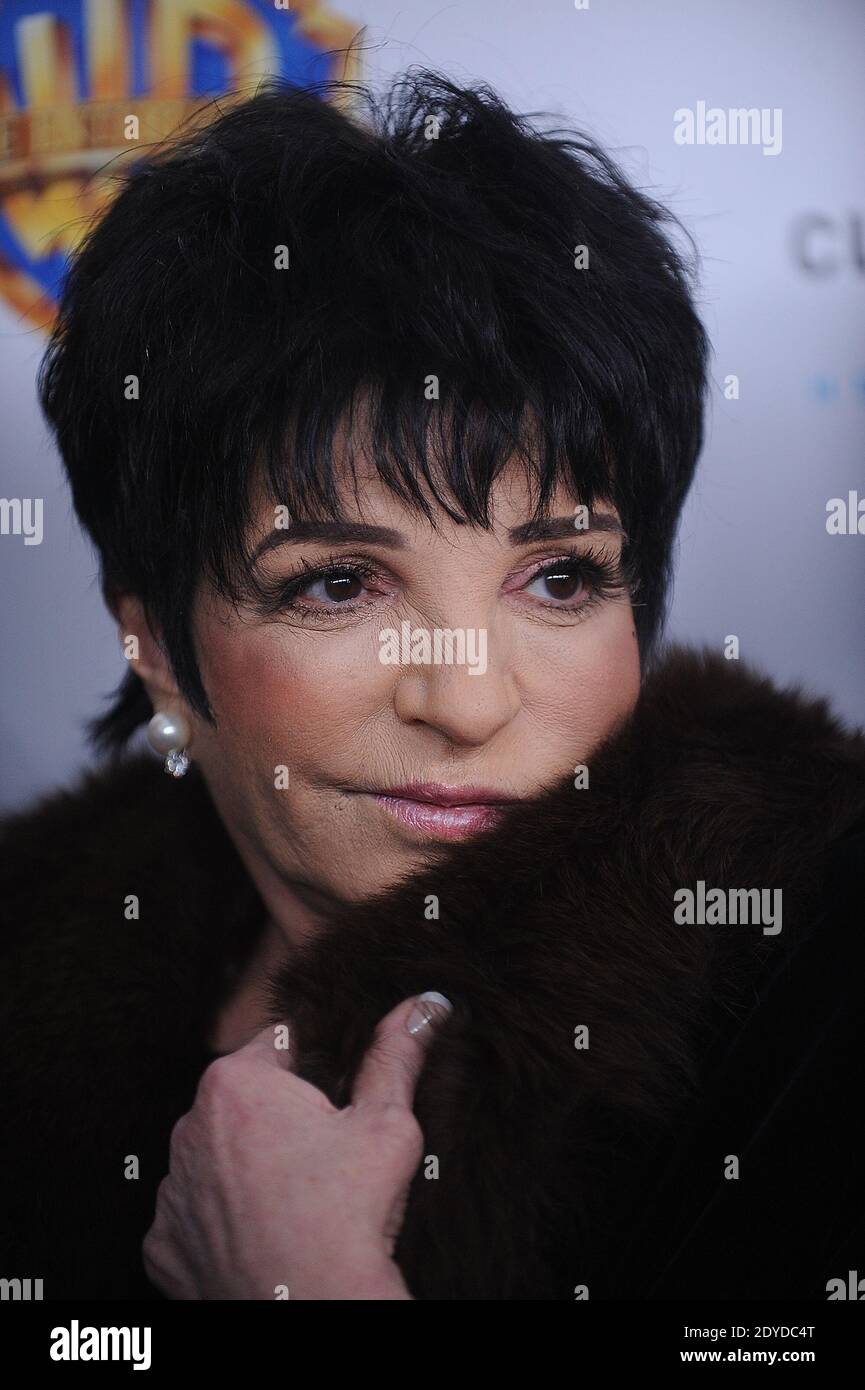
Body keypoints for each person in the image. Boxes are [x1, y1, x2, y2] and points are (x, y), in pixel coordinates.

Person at [1, 70, 862, 1302]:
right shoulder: (33, 966)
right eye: (338, 584)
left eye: (559, 577)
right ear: (154, 647)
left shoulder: (819, 978)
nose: (466, 703)